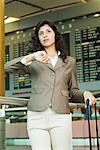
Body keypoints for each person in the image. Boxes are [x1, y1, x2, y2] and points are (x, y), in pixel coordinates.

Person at [4, 20, 96, 150]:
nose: (45, 35)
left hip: (60, 117)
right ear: (38, 38)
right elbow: (7, 67)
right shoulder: (34, 61)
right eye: (41, 33)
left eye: (48, 31)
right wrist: (32, 57)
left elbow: (73, 91)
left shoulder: (69, 62)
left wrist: (85, 94)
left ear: (55, 35)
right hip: (36, 116)